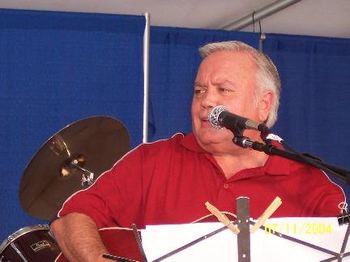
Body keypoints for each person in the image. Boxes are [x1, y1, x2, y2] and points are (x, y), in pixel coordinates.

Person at [51, 40, 345, 261]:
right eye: (199, 91)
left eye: (223, 90)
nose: (206, 101)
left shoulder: (307, 180)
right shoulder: (152, 161)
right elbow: (72, 220)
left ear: (263, 105)